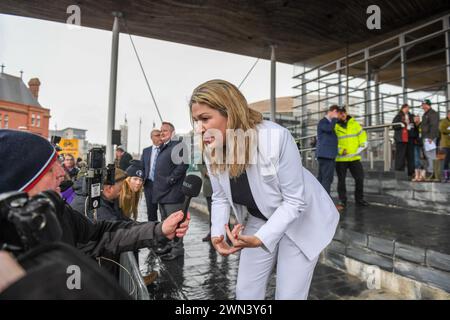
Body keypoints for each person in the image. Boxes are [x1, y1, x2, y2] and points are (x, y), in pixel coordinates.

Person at [190, 79, 339, 300]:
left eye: (205, 119)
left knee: (289, 295)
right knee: (245, 292)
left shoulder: (276, 137)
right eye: (195, 120)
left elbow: (294, 202)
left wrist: (262, 239)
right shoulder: (211, 149)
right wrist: (217, 234)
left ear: (230, 112)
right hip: (260, 217)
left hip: (302, 219)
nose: (199, 128)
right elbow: (220, 197)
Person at [0, 129, 191, 292]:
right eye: (50, 169)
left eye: (58, 163)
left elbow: (102, 234)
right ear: (22, 183)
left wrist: (160, 229)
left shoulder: (60, 212)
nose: (61, 173)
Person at [152, 122, 189, 261]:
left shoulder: (178, 145)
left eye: (165, 130)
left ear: (172, 132)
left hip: (173, 193)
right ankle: (169, 245)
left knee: (176, 223)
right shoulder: (163, 147)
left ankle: (177, 249)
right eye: (161, 130)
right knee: (166, 222)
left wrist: (171, 179)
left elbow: (183, 164)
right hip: (162, 193)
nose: (162, 132)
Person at [334, 106, 369, 208]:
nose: (343, 114)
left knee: (359, 178)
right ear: (338, 115)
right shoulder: (335, 126)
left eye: (344, 112)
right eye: (340, 113)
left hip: (354, 157)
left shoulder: (354, 123)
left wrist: (362, 144)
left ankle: (359, 199)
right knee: (341, 180)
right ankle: (342, 201)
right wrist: (340, 150)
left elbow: (362, 135)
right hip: (341, 159)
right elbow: (332, 142)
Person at [316, 105, 341, 209]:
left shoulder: (327, 123)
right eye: (337, 113)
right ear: (334, 111)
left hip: (326, 155)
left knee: (321, 179)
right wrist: (334, 118)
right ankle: (326, 205)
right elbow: (329, 129)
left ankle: (319, 202)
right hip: (326, 155)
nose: (337, 116)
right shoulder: (323, 122)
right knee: (327, 179)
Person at [141, 129, 162, 222]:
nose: (160, 137)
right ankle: (152, 232)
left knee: (163, 210)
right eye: (157, 135)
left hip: (162, 184)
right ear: (152, 138)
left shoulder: (165, 149)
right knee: (151, 211)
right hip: (149, 184)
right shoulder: (146, 151)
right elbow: (142, 166)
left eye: (160, 135)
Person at [392, 104, 417, 177]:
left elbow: (415, 126)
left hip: (410, 138)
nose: (407, 109)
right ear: (402, 108)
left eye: (408, 108)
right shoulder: (398, 116)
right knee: (400, 156)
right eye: (406, 108)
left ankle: (411, 173)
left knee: (411, 156)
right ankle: (399, 173)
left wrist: (415, 122)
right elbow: (394, 125)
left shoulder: (411, 116)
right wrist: (404, 123)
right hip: (401, 139)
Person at [419, 99, 440, 179]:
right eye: (422, 105)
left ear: (428, 105)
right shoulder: (426, 114)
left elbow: (434, 126)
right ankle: (432, 172)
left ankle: (432, 172)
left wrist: (431, 137)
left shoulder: (432, 113)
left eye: (424, 105)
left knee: (431, 154)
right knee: (428, 154)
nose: (423, 106)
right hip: (426, 137)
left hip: (430, 137)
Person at [198, 163, 213, 241]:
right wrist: (207, 172)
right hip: (209, 187)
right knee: (212, 212)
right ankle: (212, 233)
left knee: (225, 210)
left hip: (223, 186)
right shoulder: (203, 151)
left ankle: (227, 234)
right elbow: (199, 163)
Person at [439, 109, 450, 182]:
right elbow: (442, 129)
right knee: (446, 161)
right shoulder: (444, 121)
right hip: (446, 144)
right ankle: (446, 177)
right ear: (448, 114)